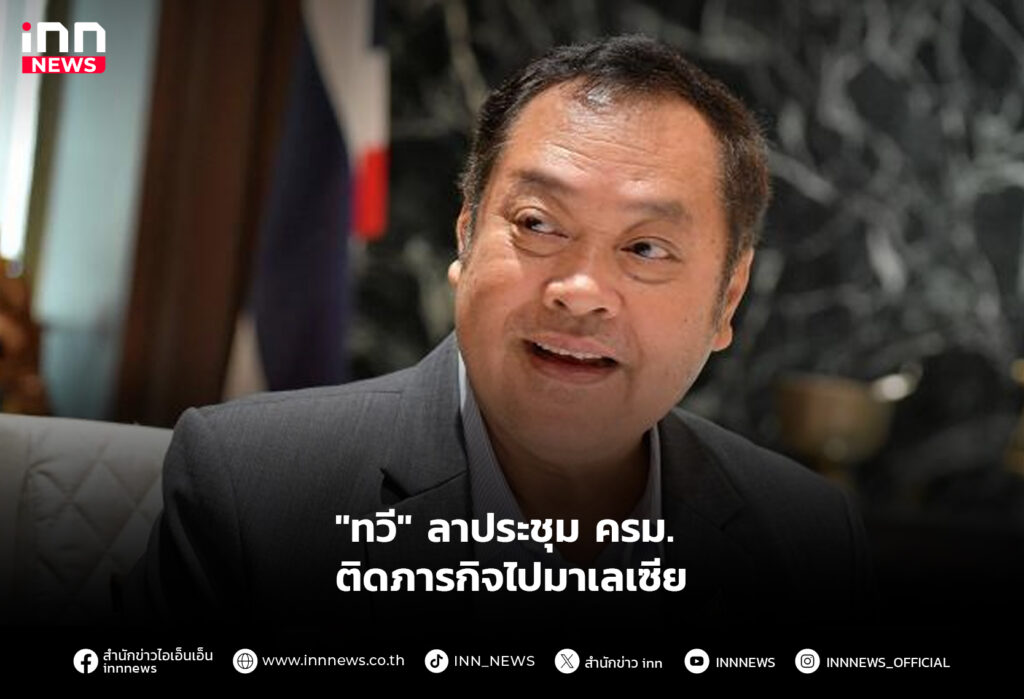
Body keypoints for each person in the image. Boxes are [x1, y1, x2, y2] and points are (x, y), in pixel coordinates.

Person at [126, 35, 870, 633]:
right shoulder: (253, 488)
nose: (580, 291)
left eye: (646, 248)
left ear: (727, 297)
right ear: (466, 237)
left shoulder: (804, 536)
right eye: (538, 224)